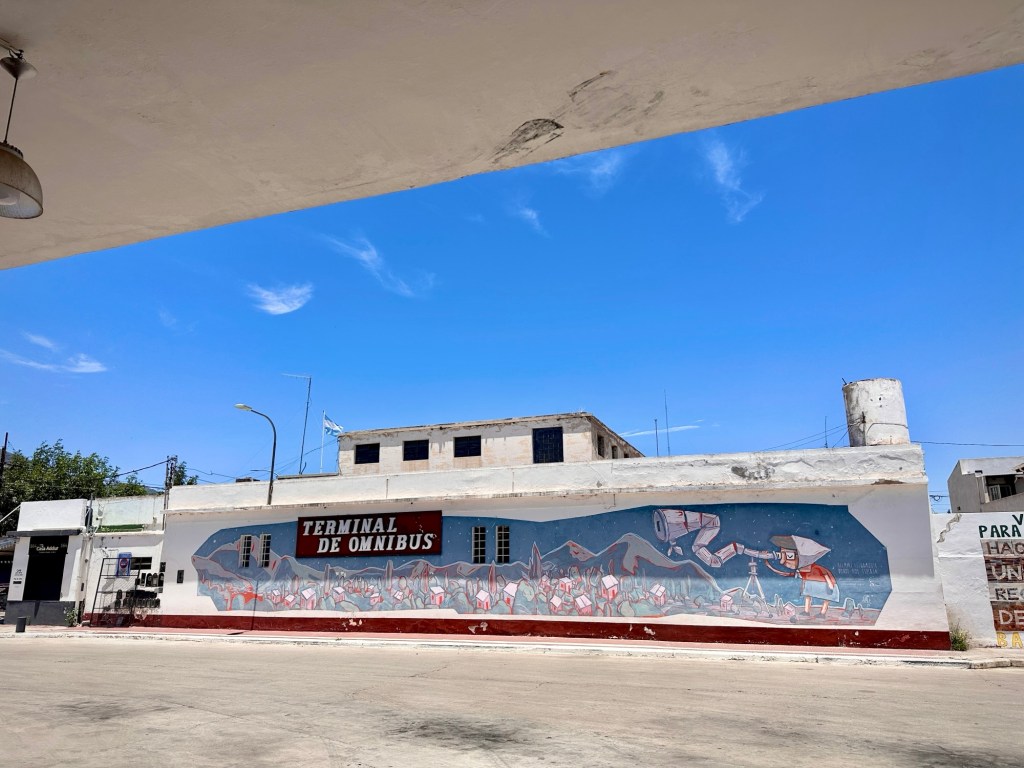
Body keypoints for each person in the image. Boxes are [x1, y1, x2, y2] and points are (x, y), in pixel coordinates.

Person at [764, 534, 839, 616]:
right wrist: (769, 566)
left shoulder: (816, 568)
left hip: (825, 585)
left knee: (826, 598)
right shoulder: (803, 570)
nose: (782, 561)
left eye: (790, 556)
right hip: (811, 584)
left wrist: (830, 586)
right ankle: (807, 612)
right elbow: (797, 576)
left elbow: (826, 575)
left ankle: (822, 613)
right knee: (807, 595)